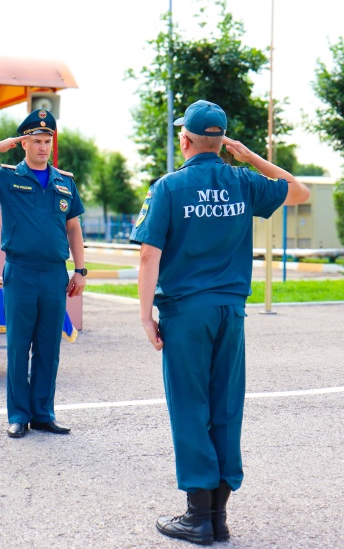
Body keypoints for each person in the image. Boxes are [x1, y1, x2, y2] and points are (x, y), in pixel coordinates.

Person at [130, 100, 310, 545]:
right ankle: (219, 516)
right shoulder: (244, 181)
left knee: (191, 407)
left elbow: (149, 254)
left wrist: (145, 315)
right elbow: (299, 191)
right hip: (231, 311)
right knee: (226, 406)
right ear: (222, 141)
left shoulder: (169, 187)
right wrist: (249, 157)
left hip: (186, 312)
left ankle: (198, 517)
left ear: (185, 140)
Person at [0, 109, 86, 439]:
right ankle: (18, 415)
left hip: (55, 274)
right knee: (18, 346)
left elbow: (73, 228)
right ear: (24, 144)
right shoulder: (7, 177)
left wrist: (80, 269)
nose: (43, 147)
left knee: (48, 347)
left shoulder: (64, 182)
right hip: (22, 273)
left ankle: (43, 413)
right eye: (36, 141)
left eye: (47, 141)